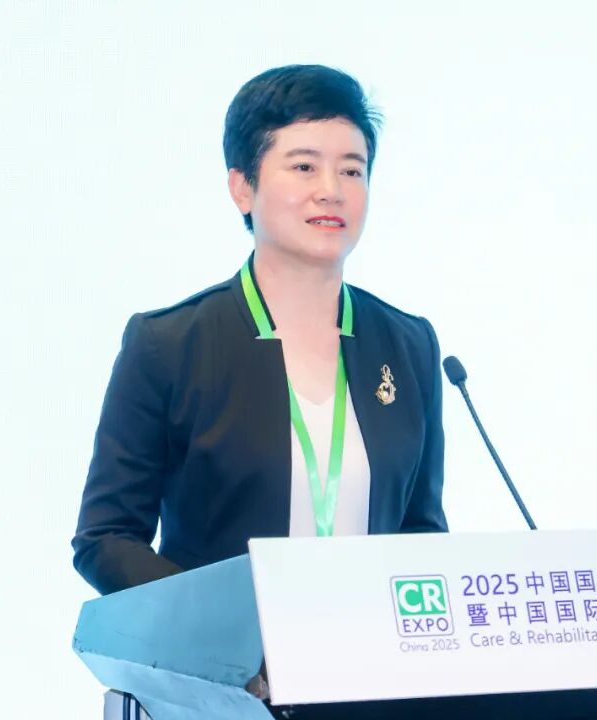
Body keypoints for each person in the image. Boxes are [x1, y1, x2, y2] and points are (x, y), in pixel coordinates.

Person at [72, 65, 447, 718]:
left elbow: (421, 531)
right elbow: (106, 538)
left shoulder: (408, 344)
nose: (332, 190)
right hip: (222, 695)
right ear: (242, 187)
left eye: (352, 170)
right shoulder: (170, 343)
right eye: (304, 167)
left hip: (370, 692)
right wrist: (226, 642)